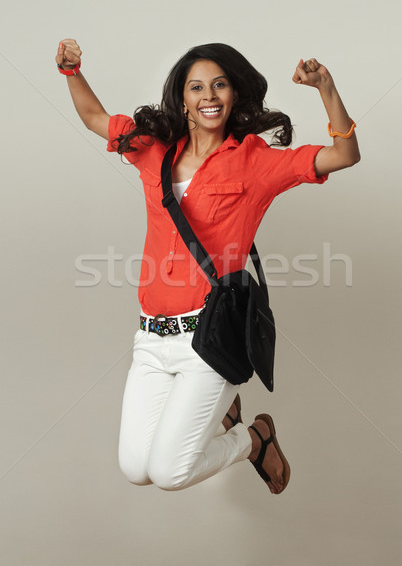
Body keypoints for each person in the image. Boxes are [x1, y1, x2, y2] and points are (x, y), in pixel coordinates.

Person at [55, 39, 360, 495]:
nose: (209, 96)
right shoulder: (154, 149)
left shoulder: (255, 160)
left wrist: (327, 89)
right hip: (151, 336)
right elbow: (96, 118)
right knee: (136, 469)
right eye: (197, 87)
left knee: (169, 473)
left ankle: (254, 439)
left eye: (219, 85)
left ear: (234, 94)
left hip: (210, 339)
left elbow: (343, 155)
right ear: (183, 98)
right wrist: (72, 71)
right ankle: (237, 424)